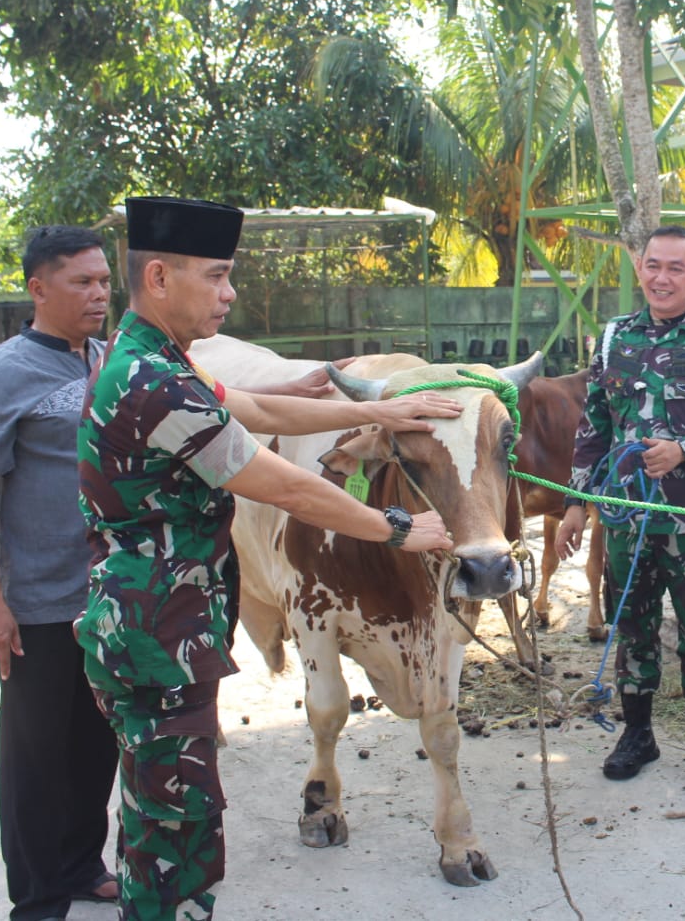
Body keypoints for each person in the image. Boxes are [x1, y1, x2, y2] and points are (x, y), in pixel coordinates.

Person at [77, 196, 461, 921]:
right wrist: (396, 527)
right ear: (159, 277)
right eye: (217, 277)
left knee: (174, 809)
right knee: (170, 821)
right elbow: (280, 482)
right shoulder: (153, 384)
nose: (229, 294)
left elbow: (262, 410)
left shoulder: (154, 362)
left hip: (165, 617)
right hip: (157, 626)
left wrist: (372, 413)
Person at [0, 226, 120, 921]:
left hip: (109, 594)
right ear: (38, 289)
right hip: (38, 605)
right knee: (35, 758)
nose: (99, 294)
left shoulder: (110, 361)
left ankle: (82, 864)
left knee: (96, 744)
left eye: (104, 280)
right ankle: (39, 896)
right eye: (82, 282)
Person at [554, 225, 685, 788]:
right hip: (626, 520)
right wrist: (575, 504)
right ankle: (637, 733)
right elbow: (594, 426)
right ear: (640, 268)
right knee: (631, 628)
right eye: (653, 266)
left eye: (675, 269)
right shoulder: (613, 339)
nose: (662, 278)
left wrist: (683, 450)